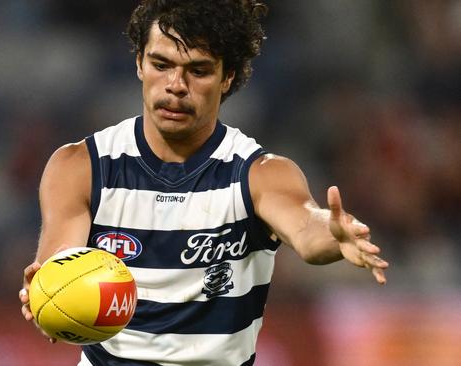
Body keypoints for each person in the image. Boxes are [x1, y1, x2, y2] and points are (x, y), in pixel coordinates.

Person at [19, 0, 389, 365]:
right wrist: (48, 293)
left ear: (227, 77)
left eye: (198, 70)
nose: (176, 85)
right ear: (139, 64)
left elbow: (307, 228)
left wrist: (334, 235)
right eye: (161, 65)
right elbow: (61, 262)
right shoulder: (81, 166)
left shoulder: (258, 174)